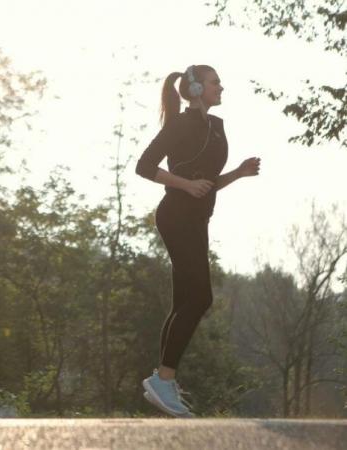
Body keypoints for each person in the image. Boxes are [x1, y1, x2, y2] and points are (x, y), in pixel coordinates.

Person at [135, 65, 260, 418]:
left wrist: (237, 173)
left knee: (183, 302)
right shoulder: (179, 125)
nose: (221, 87)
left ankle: (164, 383)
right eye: (215, 82)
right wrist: (185, 185)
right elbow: (144, 166)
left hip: (197, 218)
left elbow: (206, 182)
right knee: (201, 297)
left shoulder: (216, 127)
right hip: (175, 215)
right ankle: (163, 379)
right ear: (195, 88)